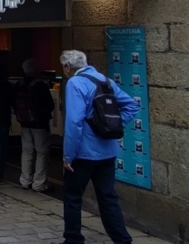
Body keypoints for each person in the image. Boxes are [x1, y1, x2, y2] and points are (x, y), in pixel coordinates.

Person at [57, 50, 139, 244]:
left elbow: (74, 122)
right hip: (108, 151)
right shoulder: (104, 80)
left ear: (67, 67)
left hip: (83, 153)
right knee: (108, 198)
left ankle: (73, 239)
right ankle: (122, 240)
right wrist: (112, 127)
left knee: (73, 197)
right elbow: (132, 106)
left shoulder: (75, 83)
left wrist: (68, 155)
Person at [15, 58, 56, 193]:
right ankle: (39, 183)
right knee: (41, 152)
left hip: (24, 122)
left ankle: (25, 180)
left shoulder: (19, 84)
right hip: (40, 124)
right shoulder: (40, 85)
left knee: (27, 151)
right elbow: (49, 105)